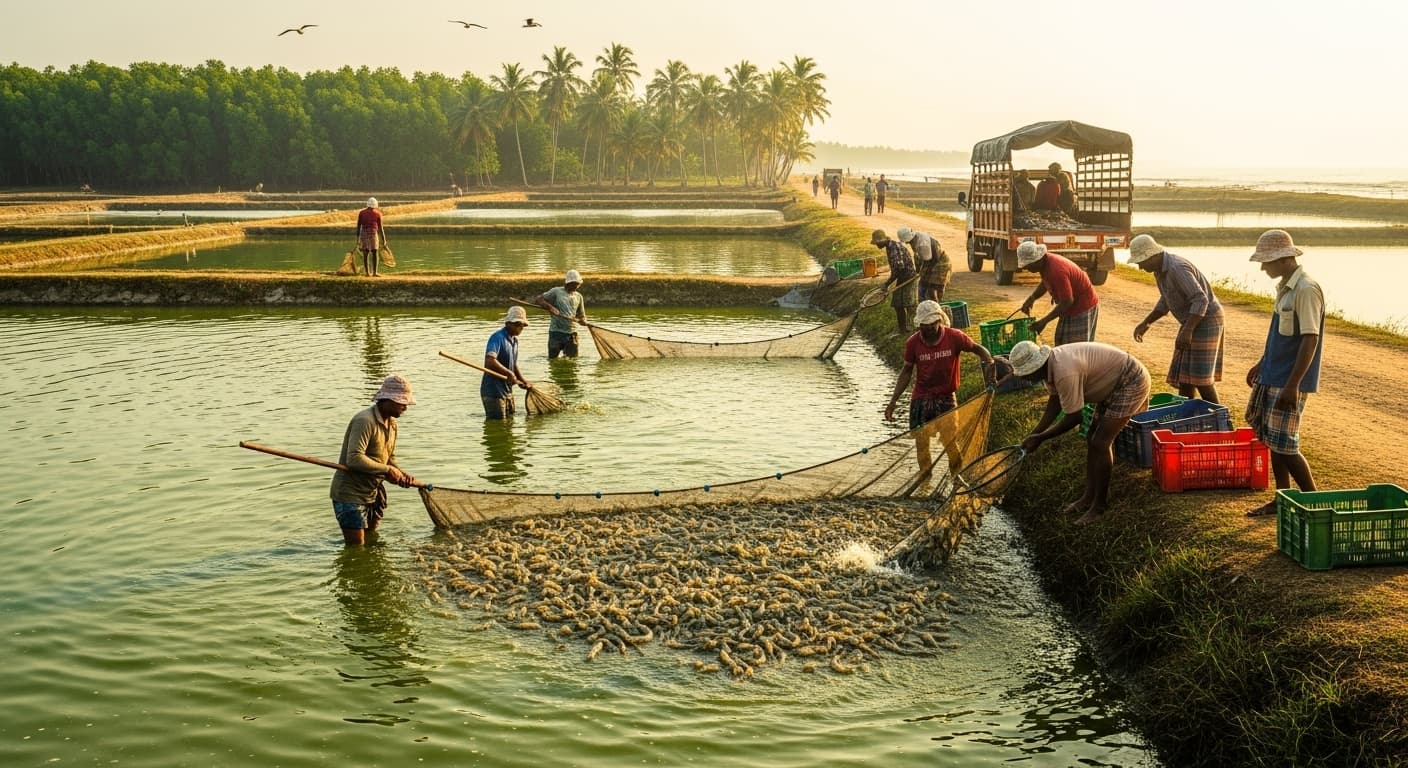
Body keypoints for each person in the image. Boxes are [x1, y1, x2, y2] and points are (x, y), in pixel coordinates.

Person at [1010, 340, 1151, 525]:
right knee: (1092, 437)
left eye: (1027, 374)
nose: (1025, 379)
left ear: (1036, 366)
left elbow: (1074, 418)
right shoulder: (1051, 367)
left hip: (1130, 380)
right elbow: (1054, 404)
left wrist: (1041, 438)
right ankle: (1087, 497)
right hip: (1110, 383)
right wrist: (1034, 434)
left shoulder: (1063, 371)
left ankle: (1099, 506)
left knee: (1100, 443)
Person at [1243, 229, 1325, 518]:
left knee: (1287, 445)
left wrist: (1293, 386)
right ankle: (1282, 498)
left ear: (1283, 259)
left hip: (1289, 380)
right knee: (1272, 441)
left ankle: (1314, 502)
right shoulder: (1285, 288)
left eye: (1267, 262)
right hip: (1273, 374)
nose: (1264, 268)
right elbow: (1280, 335)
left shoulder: (1306, 289)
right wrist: (1261, 363)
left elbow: (1309, 339)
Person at [1128, 234, 1225, 404]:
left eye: (1141, 262)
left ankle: (1221, 420)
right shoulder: (1159, 270)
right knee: (1184, 375)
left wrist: (1187, 330)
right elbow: (1166, 299)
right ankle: (1185, 416)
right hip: (1192, 319)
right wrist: (1147, 322)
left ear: (1153, 256)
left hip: (1206, 319)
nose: (1140, 267)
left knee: (1200, 378)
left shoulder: (1176, 268)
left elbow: (1200, 299)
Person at [329, 374, 419, 546]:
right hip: (351, 494)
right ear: (387, 400)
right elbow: (354, 458)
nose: (405, 408)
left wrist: (401, 473)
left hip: (373, 491)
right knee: (357, 548)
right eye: (402, 403)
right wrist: (387, 470)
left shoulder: (392, 424)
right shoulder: (365, 420)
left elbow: (388, 458)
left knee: (372, 543)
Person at [886, 300, 997, 427]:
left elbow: (979, 350)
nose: (929, 328)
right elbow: (906, 371)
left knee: (950, 441)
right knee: (921, 442)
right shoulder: (913, 343)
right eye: (925, 325)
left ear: (939, 320)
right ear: (920, 324)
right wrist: (893, 401)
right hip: (922, 396)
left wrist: (990, 369)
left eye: (932, 323)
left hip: (947, 396)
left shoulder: (955, 337)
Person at [1017, 241, 1100, 345]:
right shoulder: (1046, 263)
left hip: (1082, 307)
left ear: (1037, 260)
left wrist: (1044, 322)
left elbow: (1067, 301)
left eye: (1028, 265)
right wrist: (1032, 298)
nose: (1026, 269)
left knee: (1075, 349)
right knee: (1062, 341)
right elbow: (1046, 282)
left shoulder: (1056, 270)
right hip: (1070, 307)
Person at [482, 306, 534, 419]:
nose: (520, 328)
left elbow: (513, 364)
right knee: (498, 425)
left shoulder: (514, 341)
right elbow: (489, 361)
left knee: (509, 424)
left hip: (507, 390)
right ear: (507, 324)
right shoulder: (497, 338)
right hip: (494, 392)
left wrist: (523, 380)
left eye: (522, 325)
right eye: (517, 324)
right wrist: (509, 374)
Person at [534, 269, 589, 358]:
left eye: (578, 284)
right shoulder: (556, 292)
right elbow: (538, 299)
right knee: (553, 360)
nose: (577, 286)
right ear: (568, 283)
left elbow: (582, 316)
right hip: (556, 333)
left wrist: (583, 321)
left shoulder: (579, 297)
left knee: (572, 361)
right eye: (575, 284)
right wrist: (550, 307)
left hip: (572, 334)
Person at [872, 229, 918, 334]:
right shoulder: (889, 247)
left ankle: (914, 328)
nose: (876, 245)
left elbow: (899, 268)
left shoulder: (894, 248)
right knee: (897, 304)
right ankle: (902, 329)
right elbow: (895, 267)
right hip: (902, 277)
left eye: (876, 243)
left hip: (908, 277)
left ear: (881, 240)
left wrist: (887, 284)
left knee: (910, 304)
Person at [898, 226, 951, 302]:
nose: (906, 243)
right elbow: (918, 258)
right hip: (930, 262)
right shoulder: (915, 238)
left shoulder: (923, 244)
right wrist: (918, 271)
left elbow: (930, 261)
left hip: (940, 264)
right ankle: (924, 306)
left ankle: (936, 308)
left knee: (933, 289)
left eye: (907, 241)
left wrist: (923, 272)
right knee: (922, 287)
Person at [356, 197, 387, 277]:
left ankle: (367, 273)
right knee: (375, 252)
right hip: (373, 233)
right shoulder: (377, 214)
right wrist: (384, 239)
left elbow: (358, 226)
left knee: (365, 253)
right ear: (375, 205)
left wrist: (358, 239)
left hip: (364, 233)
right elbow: (380, 228)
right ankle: (374, 272)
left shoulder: (362, 213)